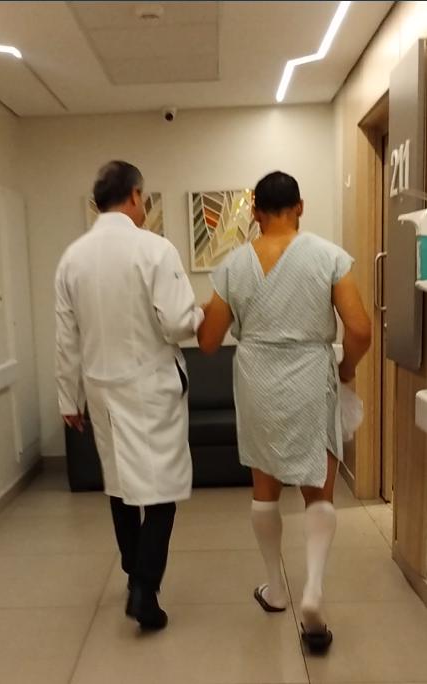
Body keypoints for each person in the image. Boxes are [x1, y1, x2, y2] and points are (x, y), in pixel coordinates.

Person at [197, 171, 371, 653]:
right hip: (311, 377)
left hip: (257, 380)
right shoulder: (328, 257)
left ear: (254, 211)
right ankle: (312, 590)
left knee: (265, 488)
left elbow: (208, 342)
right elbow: (359, 330)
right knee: (318, 491)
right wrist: (346, 369)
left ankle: (276, 589)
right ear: (300, 206)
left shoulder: (232, 265)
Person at [55, 160, 204, 631]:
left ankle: (132, 572)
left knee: (120, 485)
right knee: (161, 490)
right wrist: (200, 316)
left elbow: (66, 337)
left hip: (100, 389)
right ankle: (144, 588)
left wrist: (68, 398)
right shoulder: (155, 249)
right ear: (136, 195)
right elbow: (177, 323)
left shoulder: (72, 257)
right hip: (149, 386)